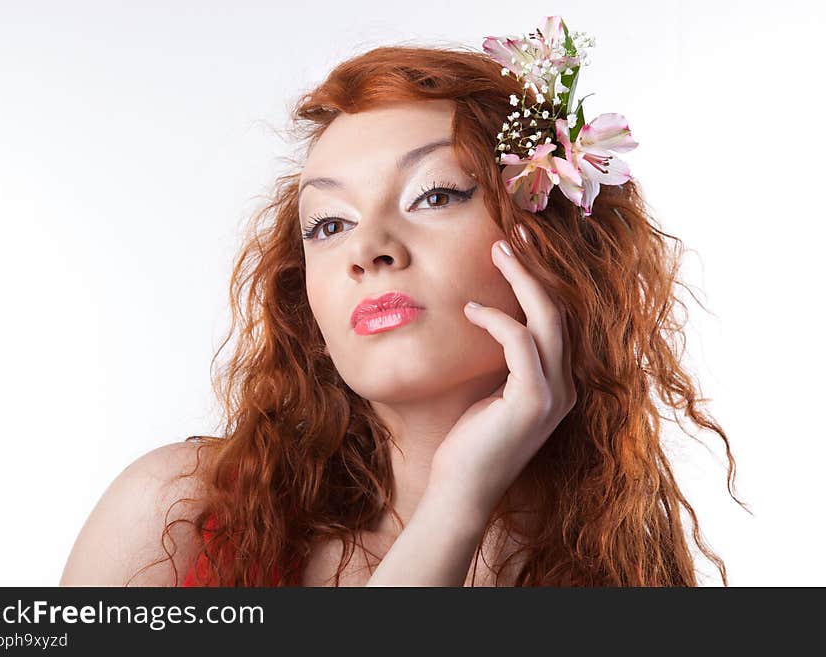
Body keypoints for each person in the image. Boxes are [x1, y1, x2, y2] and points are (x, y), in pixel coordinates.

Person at [60, 16, 745, 587]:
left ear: (550, 245)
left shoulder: (631, 579)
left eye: (435, 195)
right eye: (329, 224)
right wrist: (454, 505)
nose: (368, 249)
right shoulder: (174, 516)